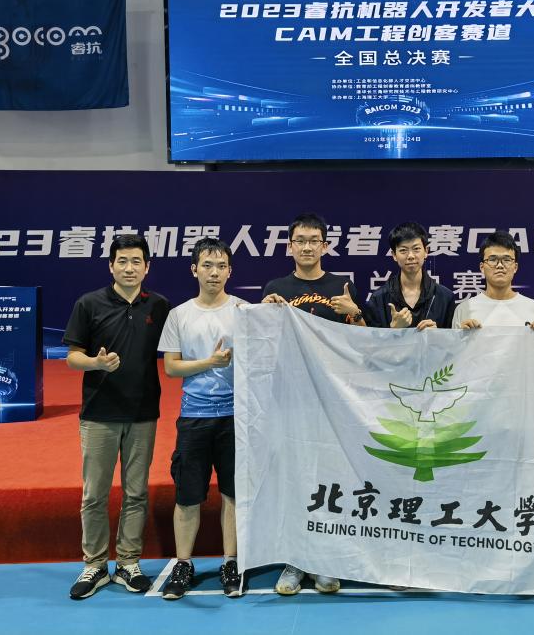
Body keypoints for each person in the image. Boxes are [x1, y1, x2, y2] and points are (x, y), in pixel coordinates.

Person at [261, 212, 364, 596]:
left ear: (325, 246)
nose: (306, 247)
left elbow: (362, 342)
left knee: (331, 478)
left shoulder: (342, 285)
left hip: (332, 399)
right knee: (295, 477)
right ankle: (295, 560)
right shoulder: (276, 288)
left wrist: (354, 313)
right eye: (300, 240)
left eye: (313, 241)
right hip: (290, 399)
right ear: (290, 246)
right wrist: (265, 313)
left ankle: (325, 558)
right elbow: (264, 344)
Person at [63, 234, 169, 600]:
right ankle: (94, 564)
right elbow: (72, 356)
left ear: (147, 267)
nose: (129, 268)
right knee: (95, 493)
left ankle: (128, 562)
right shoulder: (89, 304)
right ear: (111, 266)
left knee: (136, 492)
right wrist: (96, 362)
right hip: (99, 414)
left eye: (136, 261)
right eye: (122, 261)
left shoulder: (159, 306)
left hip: (143, 413)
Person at [157, 238, 246, 600]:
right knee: (188, 495)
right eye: (207, 265)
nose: (214, 272)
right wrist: (210, 363)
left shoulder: (244, 311)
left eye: (221, 266)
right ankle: (183, 563)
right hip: (194, 417)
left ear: (230, 271)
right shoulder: (179, 314)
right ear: (194, 269)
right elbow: (171, 367)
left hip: (235, 417)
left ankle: (231, 562)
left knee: (233, 494)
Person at [364, 221, 455, 330]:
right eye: (403, 250)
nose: (411, 256)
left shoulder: (445, 297)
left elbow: (452, 339)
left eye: (416, 249)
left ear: (426, 251)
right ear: (394, 255)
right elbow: (371, 340)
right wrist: (394, 330)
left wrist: (437, 335)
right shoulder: (379, 299)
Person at [452, 231, 534, 329]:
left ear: (515, 267)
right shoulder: (464, 310)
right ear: (482, 267)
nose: (500, 265)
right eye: (492, 259)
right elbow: (453, 340)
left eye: (507, 260)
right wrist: (462, 335)